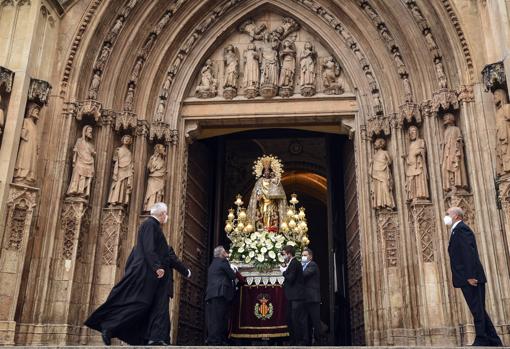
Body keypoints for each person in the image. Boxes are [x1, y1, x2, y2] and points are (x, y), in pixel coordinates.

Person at [85, 202, 191, 345]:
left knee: (143, 304)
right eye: (166, 213)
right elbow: (148, 248)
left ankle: (127, 333)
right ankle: (108, 326)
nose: (167, 217)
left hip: (148, 275)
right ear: (161, 214)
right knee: (138, 303)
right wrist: (156, 267)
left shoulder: (154, 227)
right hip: (144, 274)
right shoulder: (149, 225)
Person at [445, 207, 503, 347]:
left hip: (471, 278)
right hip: (467, 277)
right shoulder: (456, 230)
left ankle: (482, 339)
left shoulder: (461, 229)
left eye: (448, 214)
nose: (446, 216)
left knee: (477, 309)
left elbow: (468, 253)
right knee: (478, 308)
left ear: (457, 216)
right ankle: (494, 340)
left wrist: (470, 276)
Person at [205, 246, 237, 345]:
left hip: (212, 294)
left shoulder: (213, 264)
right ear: (222, 254)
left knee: (213, 318)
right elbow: (232, 275)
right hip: (220, 293)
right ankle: (216, 340)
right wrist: (234, 269)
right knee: (220, 318)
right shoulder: (223, 262)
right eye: (225, 251)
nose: (226, 253)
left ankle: (213, 339)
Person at [280, 245, 306, 346]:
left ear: (289, 253)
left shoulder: (295, 263)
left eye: (284, 254)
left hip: (297, 297)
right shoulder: (291, 263)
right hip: (292, 296)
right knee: (290, 318)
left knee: (296, 319)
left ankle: (298, 341)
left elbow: (290, 278)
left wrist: (283, 271)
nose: (283, 256)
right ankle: (293, 340)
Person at [302, 248, 321, 345]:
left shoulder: (312, 265)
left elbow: (304, 274)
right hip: (305, 298)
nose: (303, 257)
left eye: (305, 255)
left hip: (313, 298)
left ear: (310, 256)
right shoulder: (303, 266)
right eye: (302, 255)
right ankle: (306, 341)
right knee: (305, 321)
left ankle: (318, 341)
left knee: (315, 320)